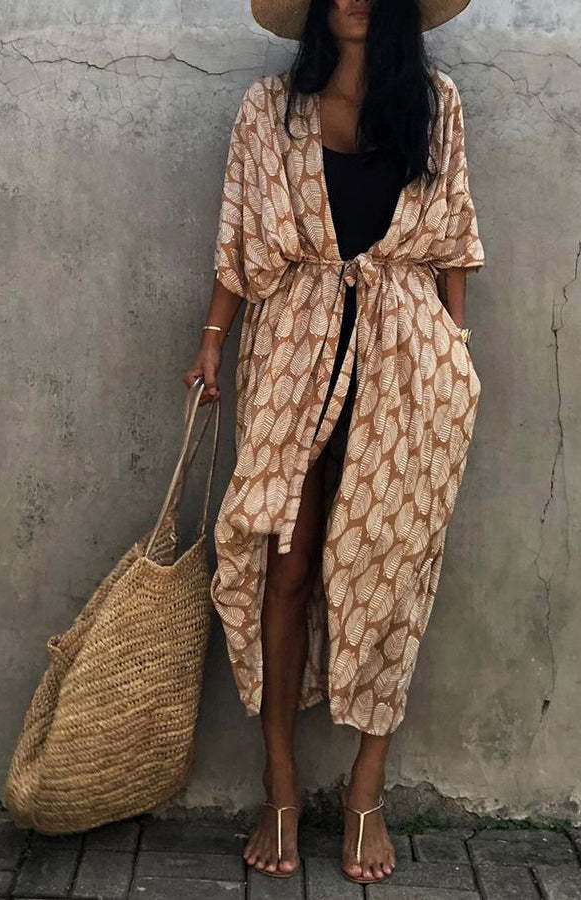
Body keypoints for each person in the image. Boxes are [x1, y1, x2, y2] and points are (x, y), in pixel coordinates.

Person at [183, 0, 484, 885]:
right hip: (293, 347)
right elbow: (240, 238)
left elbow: (454, 239)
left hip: (408, 358)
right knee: (286, 561)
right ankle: (279, 779)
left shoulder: (435, 103)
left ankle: (365, 791)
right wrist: (212, 337)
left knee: (388, 568)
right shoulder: (269, 109)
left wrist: (456, 354)